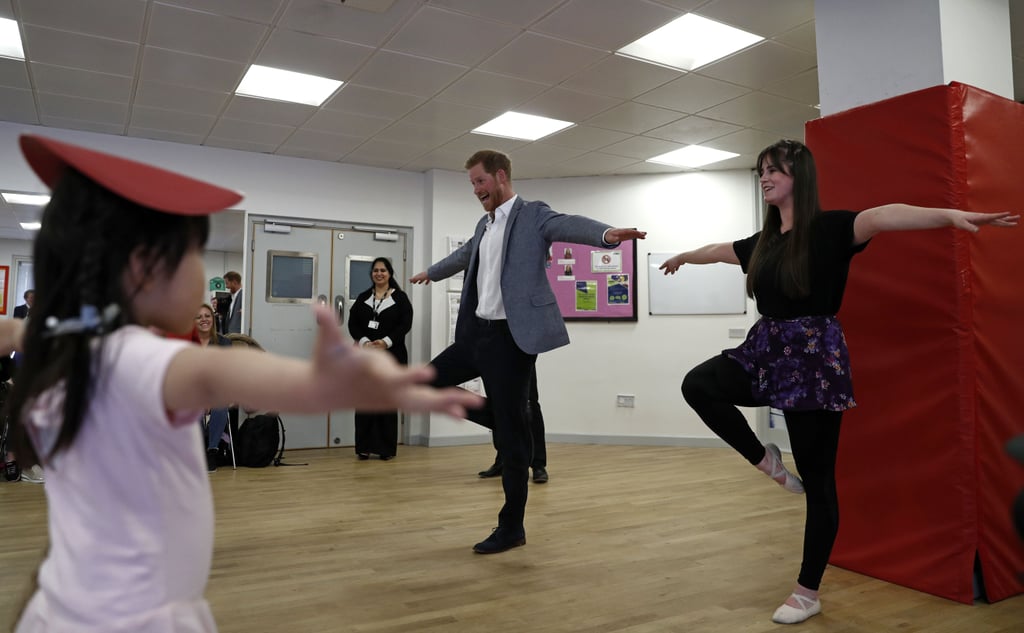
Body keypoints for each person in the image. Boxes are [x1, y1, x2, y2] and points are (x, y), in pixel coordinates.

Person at [5, 134, 481, 633]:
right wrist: (329, 385)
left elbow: (17, 330)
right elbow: (228, 370)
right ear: (146, 269)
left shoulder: (60, 349)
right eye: (193, 252)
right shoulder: (140, 360)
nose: (203, 275)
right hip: (136, 619)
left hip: (61, 604)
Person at [659, 139, 1017, 625]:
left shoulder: (829, 229)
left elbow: (884, 215)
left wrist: (949, 215)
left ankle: (807, 590)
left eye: (774, 171)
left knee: (820, 480)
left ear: (798, 177)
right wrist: (683, 255)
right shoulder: (762, 242)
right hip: (765, 350)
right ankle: (765, 458)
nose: (764, 178)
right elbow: (719, 251)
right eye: (761, 171)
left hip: (812, 359)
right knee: (698, 385)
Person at [410, 149, 646, 554]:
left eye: (480, 182)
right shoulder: (484, 226)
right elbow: (464, 255)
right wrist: (431, 272)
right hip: (475, 336)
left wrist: (607, 235)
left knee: (515, 433)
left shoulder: (532, 214)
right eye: (472, 185)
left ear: (500, 177)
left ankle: (511, 527)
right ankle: (505, 423)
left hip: (511, 340)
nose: (476, 191)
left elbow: (567, 224)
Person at [347, 257, 413, 461]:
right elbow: (353, 324)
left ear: (390, 273)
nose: (379, 273)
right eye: (375, 270)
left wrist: (385, 342)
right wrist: (365, 341)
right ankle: (364, 448)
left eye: (383, 270)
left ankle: (385, 448)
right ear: (371, 274)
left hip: (392, 355)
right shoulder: (363, 297)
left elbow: (405, 325)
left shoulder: (400, 298)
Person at [477, 365, 548, 483]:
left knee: (529, 403)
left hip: (523, 351)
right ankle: (502, 460)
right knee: (497, 404)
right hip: (493, 353)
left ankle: (538, 464)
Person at [192, 303, 233, 472]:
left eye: (207, 316)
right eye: (199, 316)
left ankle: (212, 450)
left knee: (220, 407)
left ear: (213, 319)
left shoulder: (224, 343)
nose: (204, 320)